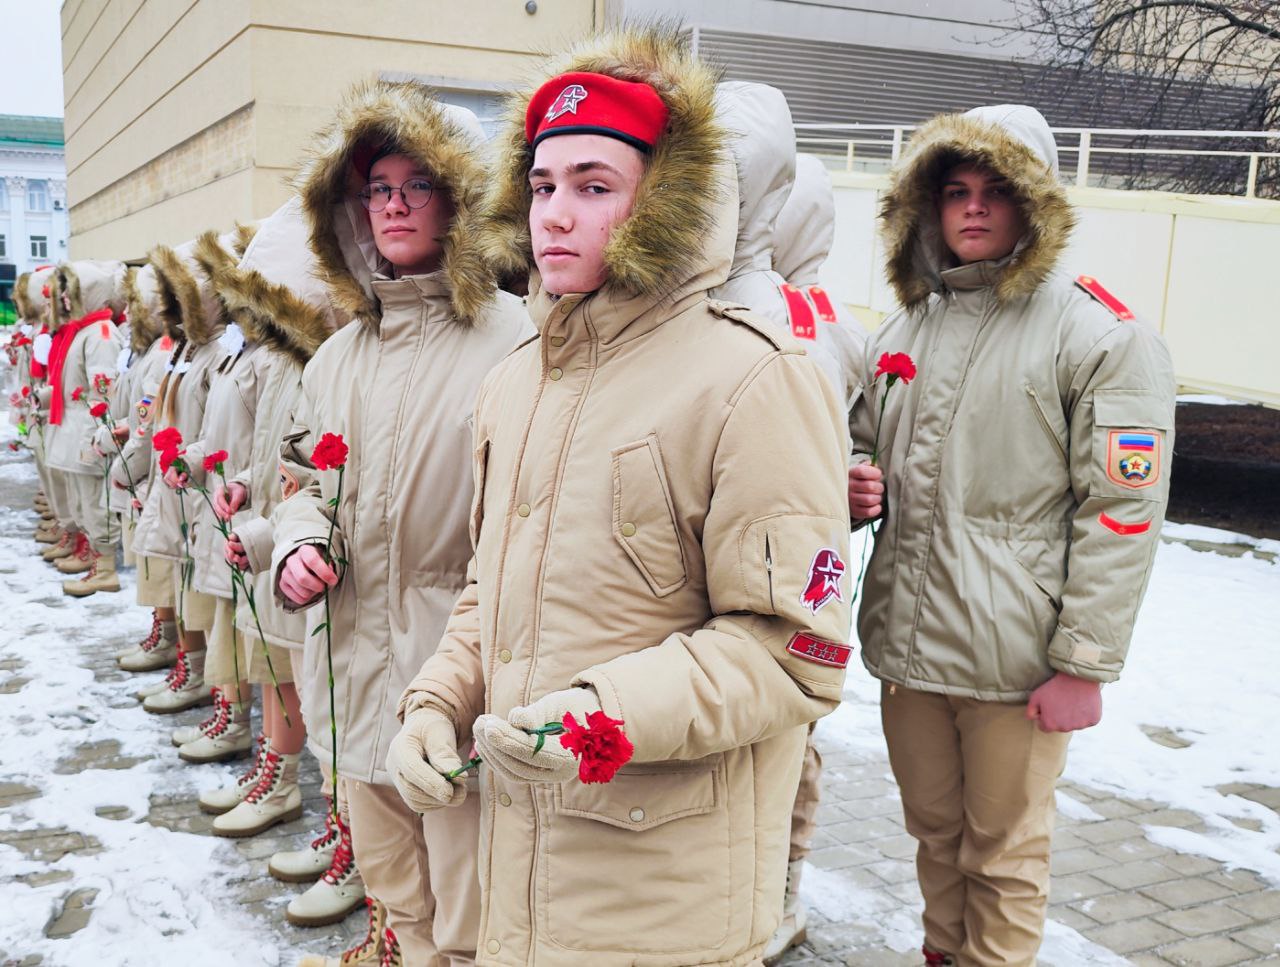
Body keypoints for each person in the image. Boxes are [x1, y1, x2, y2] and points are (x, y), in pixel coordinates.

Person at [386, 26, 851, 967]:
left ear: (661, 202)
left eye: (595, 187)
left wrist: (605, 714)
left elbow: (798, 650)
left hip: (662, 900)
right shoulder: (517, 380)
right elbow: (490, 589)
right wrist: (433, 703)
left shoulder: (754, 376)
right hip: (521, 873)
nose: (556, 214)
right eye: (544, 186)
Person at [846, 105, 1175, 967]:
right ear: (928, 207)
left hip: (1016, 660)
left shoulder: (1098, 335)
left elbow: (1119, 509)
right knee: (935, 836)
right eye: (955, 191)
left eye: (997, 190)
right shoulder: (902, 330)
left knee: (1003, 853)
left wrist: (1083, 664)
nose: (975, 209)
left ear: (1037, 203)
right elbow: (857, 440)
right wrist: (851, 482)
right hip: (909, 646)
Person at [270, 81, 532, 966]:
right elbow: (302, 475)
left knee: (469, 907)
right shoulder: (340, 354)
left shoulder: (517, 340)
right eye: (377, 189)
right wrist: (303, 542)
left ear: (459, 197)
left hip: (456, 676)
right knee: (392, 888)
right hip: (348, 668)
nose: (392, 206)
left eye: (416, 185)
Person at [205, 197, 360, 929]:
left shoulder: (330, 362)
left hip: (319, 566)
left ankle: (351, 836)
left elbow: (333, 479)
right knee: (281, 676)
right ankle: (305, 797)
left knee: (329, 706)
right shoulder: (280, 360)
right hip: (278, 548)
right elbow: (281, 464)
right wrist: (251, 502)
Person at [764, 151, 869, 965]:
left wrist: (863, 489)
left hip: (806, 576)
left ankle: (783, 891)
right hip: (721, 563)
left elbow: (865, 446)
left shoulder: (836, 331)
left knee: (794, 733)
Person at [42, 260, 126, 595]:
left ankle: (105, 567)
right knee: (83, 502)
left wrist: (96, 437)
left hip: (87, 432)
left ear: (88, 294)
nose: (63, 299)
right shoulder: (84, 331)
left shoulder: (101, 334)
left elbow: (103, 394)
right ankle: (92, 556)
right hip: (74, 429)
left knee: (95, 503)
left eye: (69, 292)